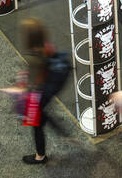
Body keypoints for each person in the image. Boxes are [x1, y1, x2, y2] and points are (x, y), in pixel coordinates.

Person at [18, 18, 73, 166]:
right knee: (41, 116)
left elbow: (34, 81)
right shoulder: (47, 46)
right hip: (49, 89)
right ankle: (62, 133)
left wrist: (22, 85)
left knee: (37, 123)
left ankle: (40, 156)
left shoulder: (31, 57)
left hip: (39, 93)